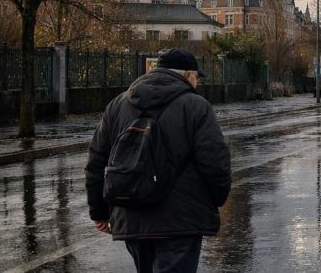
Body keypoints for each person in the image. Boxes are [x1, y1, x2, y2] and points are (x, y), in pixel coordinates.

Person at [85, 48, 232, 272]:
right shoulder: (196, 106)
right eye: (196, 77)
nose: (197, 83)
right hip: (181, 220)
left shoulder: (118, 105)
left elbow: (96, 160)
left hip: (131, 214)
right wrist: (216, 199)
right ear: (187, 75)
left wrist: (99, 211)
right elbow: (215, 161)